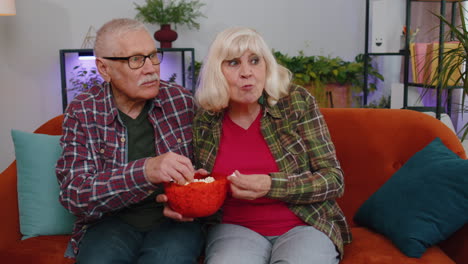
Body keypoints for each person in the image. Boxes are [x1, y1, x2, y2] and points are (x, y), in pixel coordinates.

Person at [191, 27, 352, 264]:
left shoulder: (296, 102)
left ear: (266, 66)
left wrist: (271, 185)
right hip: (234, 228)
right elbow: (196, 182)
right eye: (233, 63)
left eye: (255, 61)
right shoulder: (205, 119)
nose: (247, 72)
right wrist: (200, 187)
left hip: (304, 224)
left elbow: (333, 180)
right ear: (218, 72)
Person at [56, 18, 204, 264]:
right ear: (104, 69)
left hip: (173, 221)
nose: (151, 69)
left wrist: (189, 199)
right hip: (110, 222)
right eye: (135, 60)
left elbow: (205, 169)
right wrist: (146, 171)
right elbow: (75, 194)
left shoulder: (181, 100)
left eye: (153, 56)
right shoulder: (83, 110)